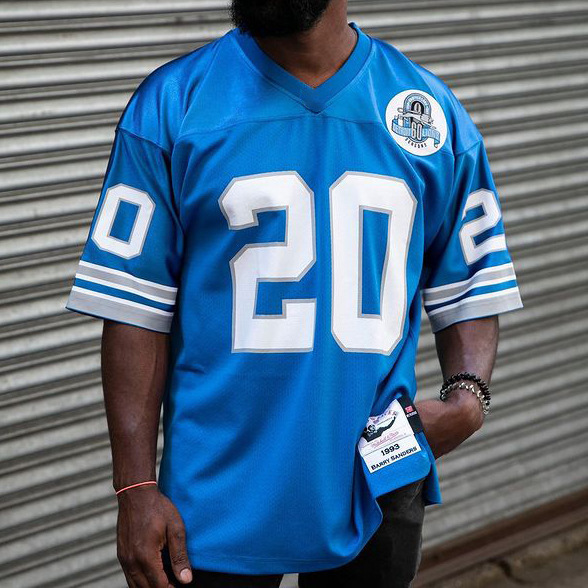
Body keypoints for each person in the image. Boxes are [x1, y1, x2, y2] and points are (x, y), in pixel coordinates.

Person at [65, 0, 523, 586]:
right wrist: (134, 486)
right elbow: (134, 308)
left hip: (377, 477)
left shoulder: (427, 112)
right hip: (214, 494)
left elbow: (471, 285)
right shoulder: (174, 104)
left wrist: (467, 400)